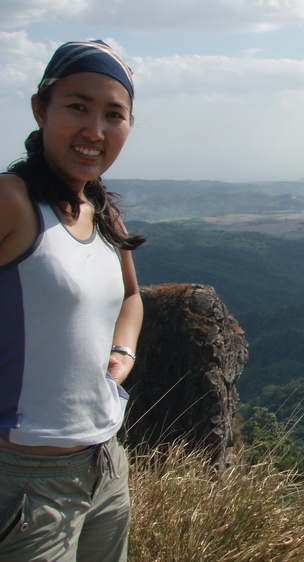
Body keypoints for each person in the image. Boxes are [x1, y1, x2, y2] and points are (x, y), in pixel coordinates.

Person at [0, 40, 143, 562]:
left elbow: (131, 295)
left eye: (114, 114)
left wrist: (122, 354)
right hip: (25, 482)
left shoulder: (99, 207)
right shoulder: (12, 200)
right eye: (77, 107)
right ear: (42, 109)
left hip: (105, 463)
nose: (95, 131)